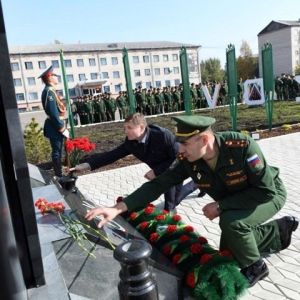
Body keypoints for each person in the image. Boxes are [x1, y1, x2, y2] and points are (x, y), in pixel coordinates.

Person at [85, 115, 298, 287]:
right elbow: (159, 184)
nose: (180, 149)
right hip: (238, 200)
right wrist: (117, 208)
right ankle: (279, 230)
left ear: (204, 140)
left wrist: (221, 206)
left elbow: (266, 190)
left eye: (184, 143)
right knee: (230, 251)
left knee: (232, 223)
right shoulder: (189, 160)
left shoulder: (241, 147)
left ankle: (256, 267)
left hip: (267, 194)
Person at [70, 113, 201, 211]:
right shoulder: (131, 142)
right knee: (170, 202)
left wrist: (156, 171)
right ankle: (173, 206)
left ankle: (196, 184)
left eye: (129, 128)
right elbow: (113, 155)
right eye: (125, 128)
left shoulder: (162, 136)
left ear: (142, 127)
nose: (126, 131)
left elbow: (178, 157)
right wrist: (87, 165)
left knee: (173, 202)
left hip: (175, 168)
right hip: (161, 173)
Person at [39, 66, 69, 177]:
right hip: (55, 127)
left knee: (58, 150)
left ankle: (59, 172)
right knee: (57, 151)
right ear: (50, 78)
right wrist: (62, 128)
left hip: (56, 125)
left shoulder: (51, 91)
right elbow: (53, 113)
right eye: (54, 75)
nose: (57, 77)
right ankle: (59, 174)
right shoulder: (49, 92)